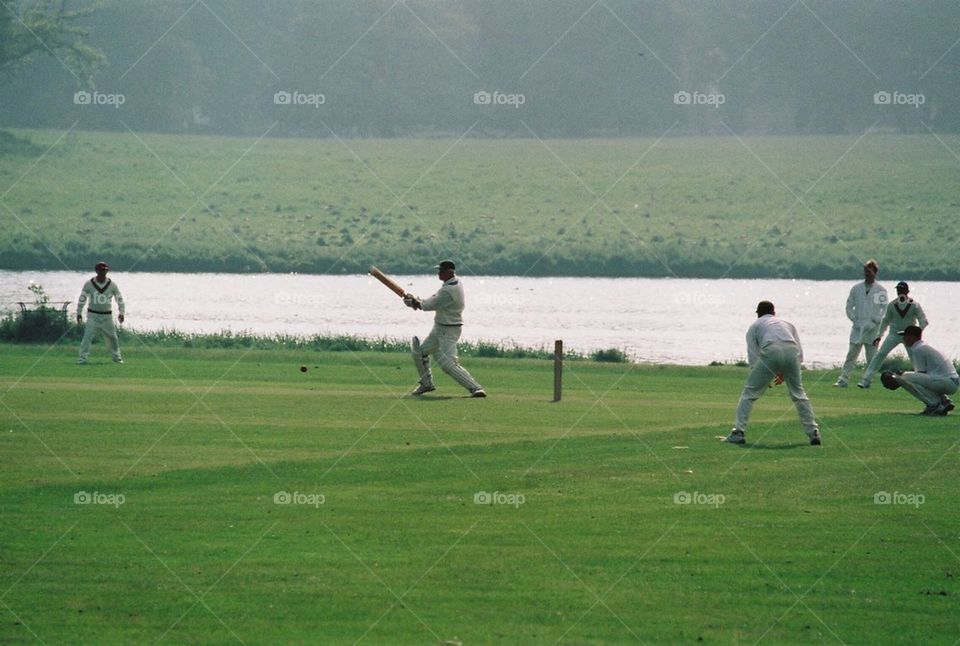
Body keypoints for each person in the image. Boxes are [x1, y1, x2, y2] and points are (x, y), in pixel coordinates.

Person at [725, 301, 821, 446]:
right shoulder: (787, 324)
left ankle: (738, 432)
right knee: (799, 394)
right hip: (791, 351)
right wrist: (784, 371)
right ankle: (813, 432)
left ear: (758, 313)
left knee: (749, 393)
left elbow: (753, 357)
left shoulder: (754, 326)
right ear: (774, 312)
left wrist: (764, 375)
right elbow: (800, 353)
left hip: (770, 350)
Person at [403, 260, 486, 397]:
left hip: (449, 330)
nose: (439, 273)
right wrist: (415, 301)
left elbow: (428, 305)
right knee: (420, 353)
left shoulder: (450, 290)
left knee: (448, 364)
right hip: (439, 328)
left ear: (450, 272)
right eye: (439, 270)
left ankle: (476, 388)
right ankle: (426, 384)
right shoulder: (453, 283)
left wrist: (414, 302)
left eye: (441, 271)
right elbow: (431, 301)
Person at [857, 281, 928, 388]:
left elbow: (924, 321)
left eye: (902, 290)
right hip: (894, 334)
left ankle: (920, 382)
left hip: (909, 336)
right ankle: (866, 380)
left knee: (915, 358)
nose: (900, 292)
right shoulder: (892, 305)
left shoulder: (914, 305)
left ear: (907, 291)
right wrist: (879, 336)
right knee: (880, 354)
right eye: (898, 290)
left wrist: (916, 333)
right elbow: (885, 321)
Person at [835, 259, 888, 387]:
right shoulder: (856, 289)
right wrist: (854, 319)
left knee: (871, 357)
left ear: (875, 273)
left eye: (870, 272)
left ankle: (866, 380)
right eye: (865, 271)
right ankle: (843, 380)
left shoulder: (880, 290)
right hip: (858, 327)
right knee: (851, 355)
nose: (867, 274)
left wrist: (876, 320)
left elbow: (884, 309)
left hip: (872, 329)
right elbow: (849, 306)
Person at [887, 326, 958, 416]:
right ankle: (944, 401)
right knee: (908, 377)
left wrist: (898, 377)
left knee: (903, 378)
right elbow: (925, 376)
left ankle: (935, 405)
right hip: (951, 381)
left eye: (906, 336)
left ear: (914, 337)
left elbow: (920, 375)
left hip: (946, 382)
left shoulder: (918, 349)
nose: (903, 338)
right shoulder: (924, 345)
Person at [76, 261, 125, 364]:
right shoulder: (89, 284)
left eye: (105, 271)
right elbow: (82, 299)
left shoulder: (112, 285)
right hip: (93, 316)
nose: (103, 273)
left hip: (107, 317)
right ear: (97, 271)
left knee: (113, 338)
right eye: (101, 271)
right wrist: (79, 313)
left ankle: (117, 358)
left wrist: (121, 313)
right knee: (87, 337)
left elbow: (119, 299)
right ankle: (82, 358)